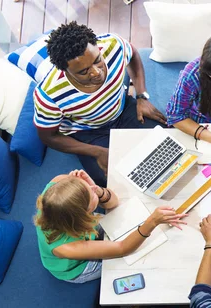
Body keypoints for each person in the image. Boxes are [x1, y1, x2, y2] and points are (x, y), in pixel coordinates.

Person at [34, 169, 187, 308]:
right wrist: (151, 222)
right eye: (91, 196)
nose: (92, 189)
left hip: (83, 234)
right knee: (126, 264)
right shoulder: (65, 247)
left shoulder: (59, 185)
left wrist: (97, 190)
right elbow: (122, 249)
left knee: (126, 234)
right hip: (78, 267)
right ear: (83, 215)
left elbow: (113, 202)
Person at [33, 22, 167, 187]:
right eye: (83, 71)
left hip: (123, 110)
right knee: (114, 184)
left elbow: (133, 55)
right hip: (87, 133)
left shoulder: (113, 45)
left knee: (167, 142)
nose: (96, 72)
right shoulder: (49, 95)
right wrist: (96, 152)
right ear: (65, 71)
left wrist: (141, 96)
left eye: (97, 60)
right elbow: (48, 137)